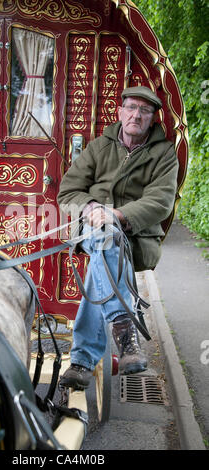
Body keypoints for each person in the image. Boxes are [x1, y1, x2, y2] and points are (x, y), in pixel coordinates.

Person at [57, 86, 179, 389]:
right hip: (92, 229)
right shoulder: (100, 147)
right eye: (131, 108)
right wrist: (92, 207)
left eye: (145, 111)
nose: (136, 115)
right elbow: (67, 192)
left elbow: (161, 200)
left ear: (152, 119)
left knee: (102, 257)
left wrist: (118, 216)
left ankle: (82, 361)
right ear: (120, 113)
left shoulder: (164, 154)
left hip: (137, 237)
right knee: (104, 239)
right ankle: (125, 331)